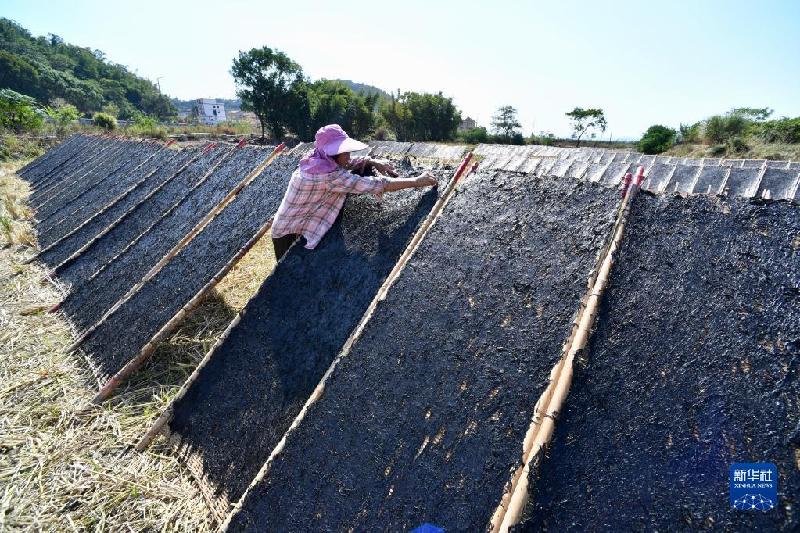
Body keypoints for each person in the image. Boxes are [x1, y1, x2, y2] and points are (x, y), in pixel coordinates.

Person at [270, 124, 438, 260]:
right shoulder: (328, 176)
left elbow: (347, 163)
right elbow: (377, 184)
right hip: (288, 232)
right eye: (343, 152)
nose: (348, 155)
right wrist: (416, 182)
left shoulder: (316, 159)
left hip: (297, 222)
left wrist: (371, 160)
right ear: (332, 153)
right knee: (291, 277)